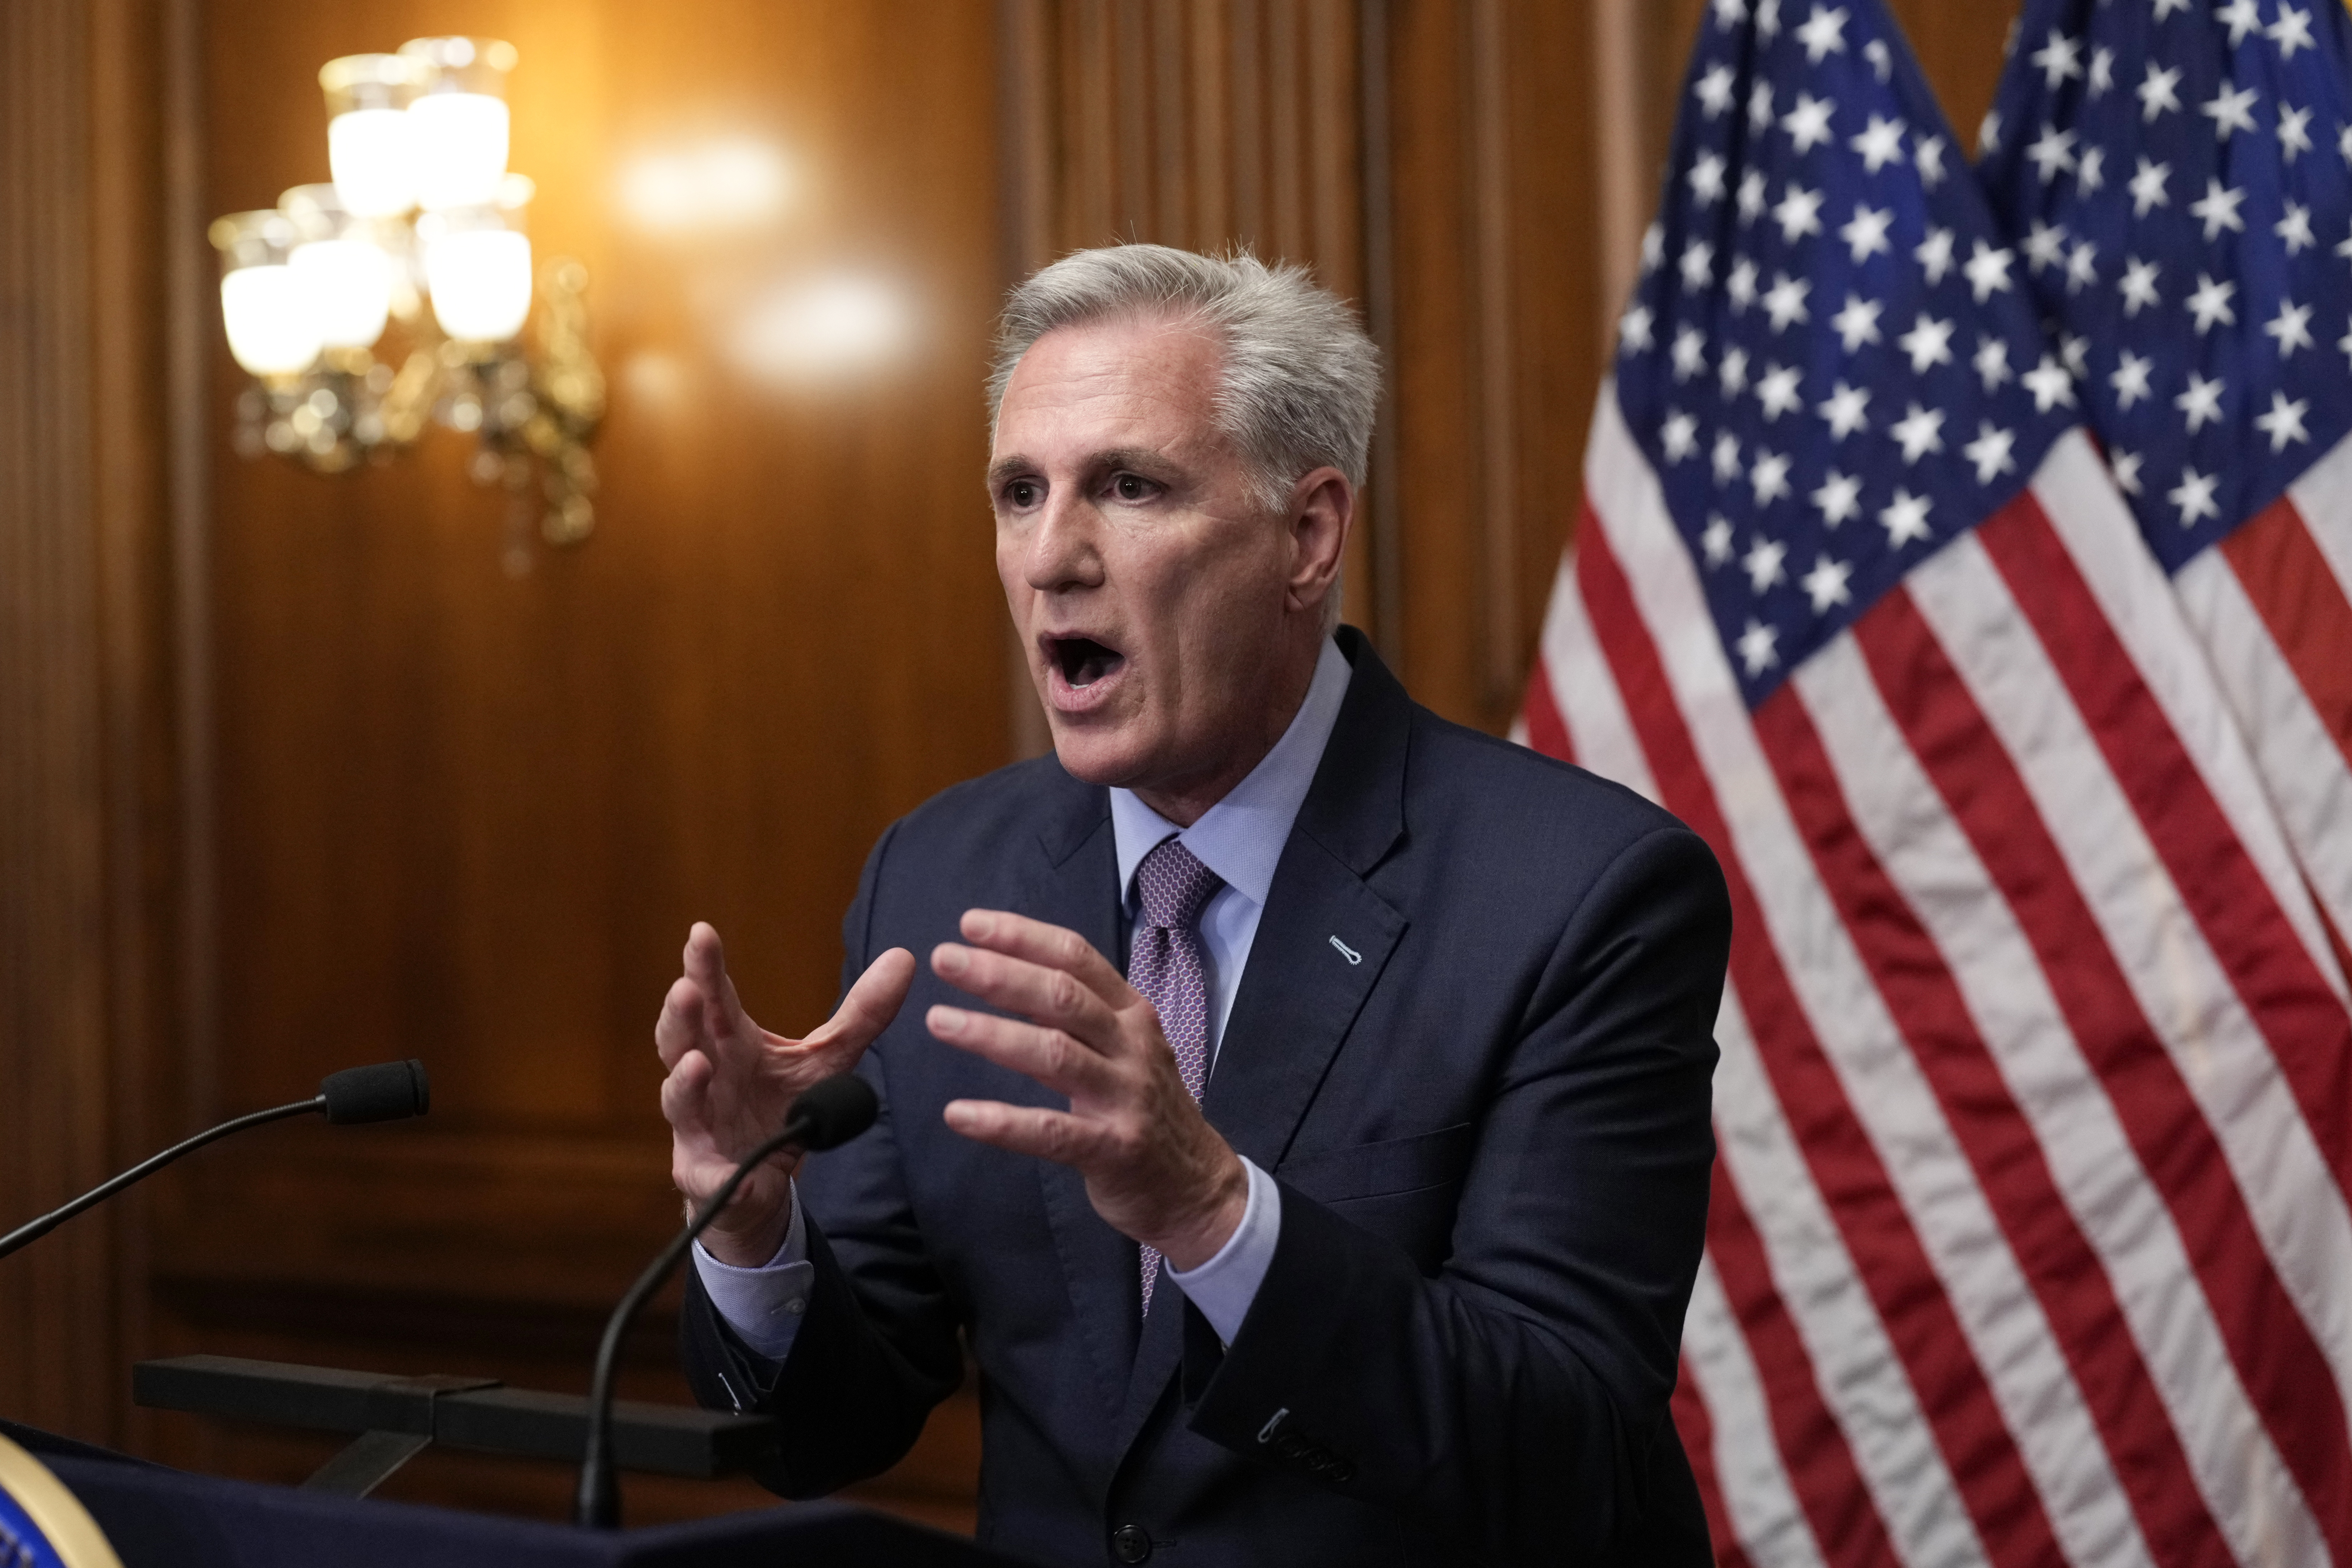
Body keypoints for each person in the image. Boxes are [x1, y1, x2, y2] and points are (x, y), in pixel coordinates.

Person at [655, 244, 1731, 1567]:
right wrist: (757, 1228)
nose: (1052, 556)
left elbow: (1565, 1446)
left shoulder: (1581, 891)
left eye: (1129, 486)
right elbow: (839, 1425)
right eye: (1018, 492)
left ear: (1309, 533)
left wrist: (1214, 1215)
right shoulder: (941, 876)